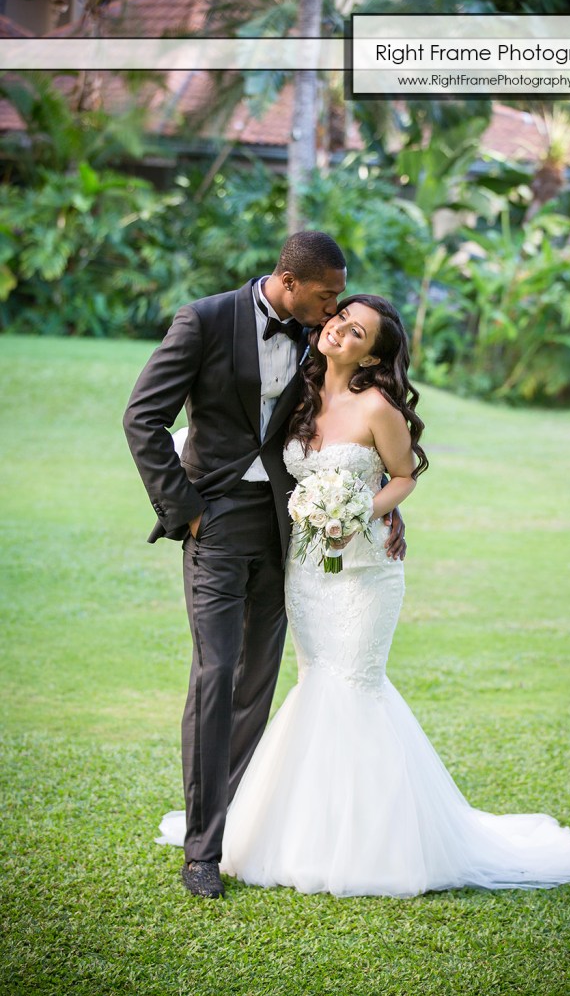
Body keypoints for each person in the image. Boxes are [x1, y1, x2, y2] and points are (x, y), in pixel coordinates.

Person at [156, 294, 570, 898]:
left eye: (356, 333)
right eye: (340, 319)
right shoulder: (301, 391)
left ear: (373, 355)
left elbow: (403, 476)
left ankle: (374, 844)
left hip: (364, 572)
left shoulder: (379, 407)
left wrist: (362, 513)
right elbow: (238, 434)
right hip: (307, 570)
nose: (339, 331)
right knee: (313, 683)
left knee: (353, 686)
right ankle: (302, 830)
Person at [123, 234, 406, 900]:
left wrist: (372, 507)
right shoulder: (204, 320)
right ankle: (201, 852)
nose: (335, 309)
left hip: (290, 530)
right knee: (216, 674)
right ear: (288, 280)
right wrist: (185, 510)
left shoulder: (319, 338)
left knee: (256, 683)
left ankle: (234, 828)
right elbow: (143, 418)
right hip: (214, 522)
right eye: (327, 294)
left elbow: (352, 429)